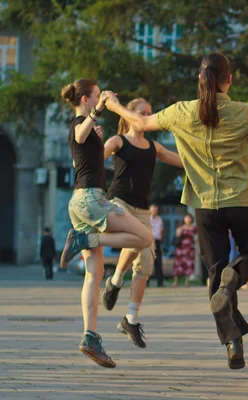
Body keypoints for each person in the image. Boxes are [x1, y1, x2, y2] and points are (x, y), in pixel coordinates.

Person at [104, 52, 248, 369]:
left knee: (215, 275)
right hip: (240, 200)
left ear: (200, 81)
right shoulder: (243, 112)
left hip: (204, 206)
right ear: (229, 80)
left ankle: (233, 344)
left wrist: (114, 105)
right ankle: (235, 277)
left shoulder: (180, 112)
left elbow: (143, 122)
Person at [60, 79, 153, 368]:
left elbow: (81, 155)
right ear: (87, 100)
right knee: (145, 238)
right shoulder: (79, 122)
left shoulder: (89, 131)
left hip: (80, 202)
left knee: (94, 274)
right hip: (90, 201)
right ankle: (86, 239)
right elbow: (78, 132)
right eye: (97, 96)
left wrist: (95, 136)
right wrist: (98, 112)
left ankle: (90, 336)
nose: (101, 100)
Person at [100, 98, 183, 349]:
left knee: (146, 263)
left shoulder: (154, 147)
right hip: (120, 203)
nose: (148, 116)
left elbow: (182, 161)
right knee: (139, 239)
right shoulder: (118, 141)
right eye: (142, 112)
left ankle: (130, 319)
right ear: (129, 116)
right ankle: (115, 280)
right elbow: (92, 161)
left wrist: (207, 158)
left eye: (150, 113)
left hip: (143, 209)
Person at [172, 213, 196, 287]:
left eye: (189, 218)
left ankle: (187, 281)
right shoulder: (181, 227)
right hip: (181, 248)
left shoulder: (194, 228)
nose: (188, 219)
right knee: (178, 264)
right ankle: (175, 281)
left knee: (189, 264)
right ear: (184, 219)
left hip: (190, 248)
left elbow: (196, 238)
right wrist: (180, 230)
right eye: (186, 218)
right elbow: (177, 236)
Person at [149, 204, 164, 287]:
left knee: (158, 262)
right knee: (147, 261)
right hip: (149, 241)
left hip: (157, 241)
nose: (155, 212)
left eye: (156, 210)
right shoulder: (147, 219)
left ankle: (160, 282)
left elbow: (161, 230)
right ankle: (146, 282)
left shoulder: (159, 219)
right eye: (153, 210)